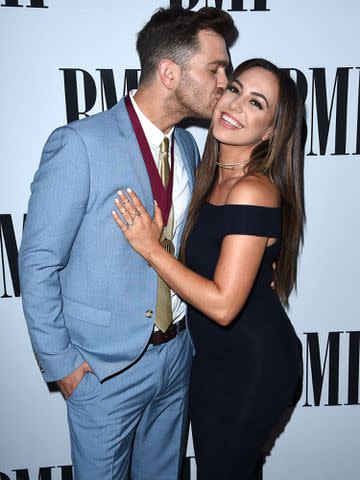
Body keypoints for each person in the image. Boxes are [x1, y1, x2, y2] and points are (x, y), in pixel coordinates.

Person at [18, 7, 238, 480]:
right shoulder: (80, 145)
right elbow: (37, 264)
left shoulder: (188, 148)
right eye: (215, 68)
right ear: (170, 72)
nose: (225, 81)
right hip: (103, 372)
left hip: (176, 359)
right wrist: (68, 371)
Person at [112, 58, 305, 480]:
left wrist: (151, 248)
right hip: (214, 361)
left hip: (254, 365)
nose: (235, 105)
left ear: (271, 131)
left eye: (256, 103)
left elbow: (221, 305)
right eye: (234, 89)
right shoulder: (207, 176)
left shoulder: (253, 188)